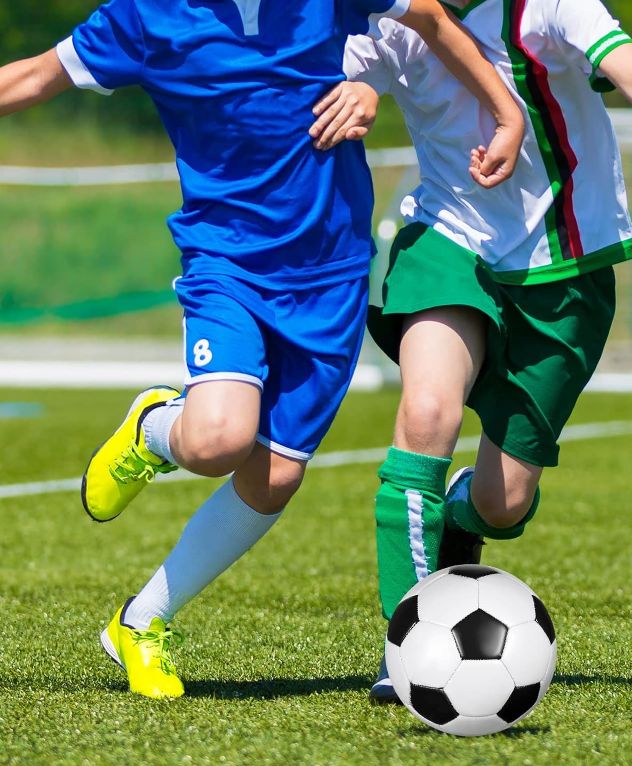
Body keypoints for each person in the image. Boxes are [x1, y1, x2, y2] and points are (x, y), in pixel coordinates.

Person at [0, 0, 525, 699]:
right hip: (227, 259)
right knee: (218, 437)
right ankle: (159, 426)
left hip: (332, 271)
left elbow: (427, 13)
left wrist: (507, 113)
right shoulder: (145, 16)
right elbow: (34, 77)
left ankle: (141, 620)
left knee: (275, 476)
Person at [309, 0, 632, 702]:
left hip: (565, 275)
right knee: (425, 415)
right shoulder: (394, 15)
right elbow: (338, 70)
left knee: (503, 503)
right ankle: (407, 645)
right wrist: (356, 89)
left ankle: (458, 521)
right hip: (449, 244)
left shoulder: (553, 7)